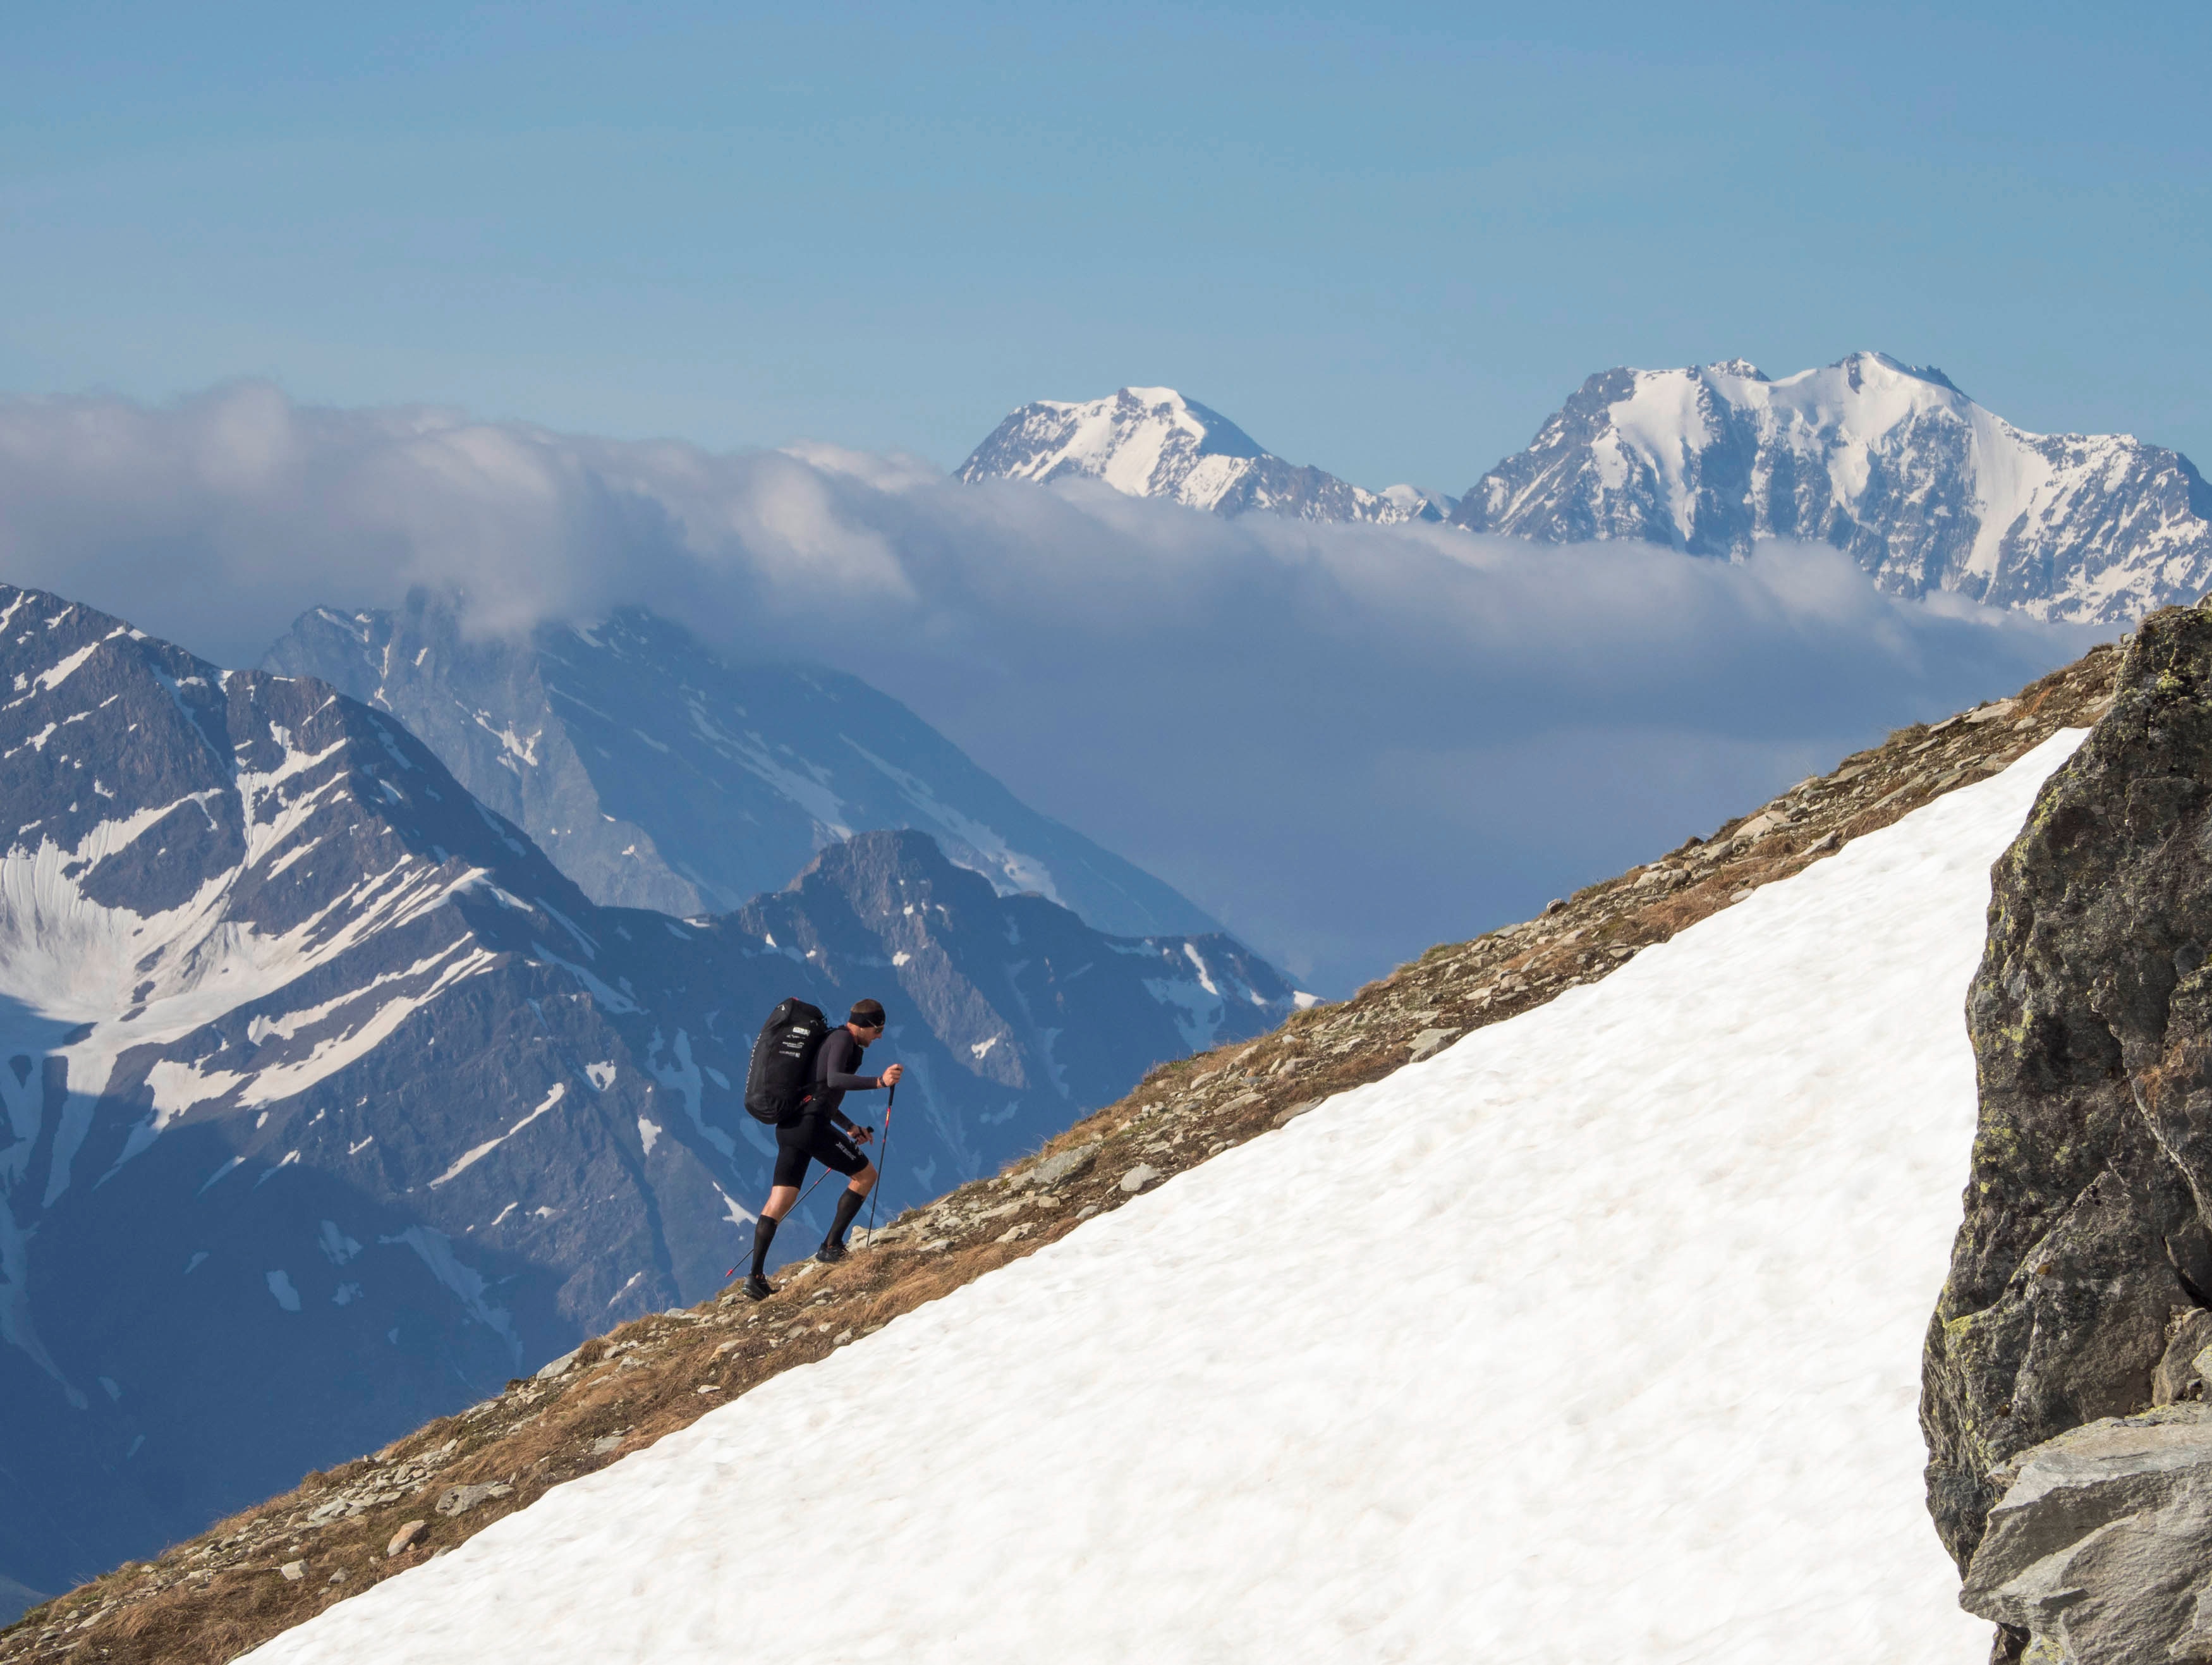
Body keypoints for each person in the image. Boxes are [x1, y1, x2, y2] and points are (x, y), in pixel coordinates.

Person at [741, 998, 904, 1300]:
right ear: (865, 1025)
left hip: (790, 1127)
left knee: (780, 1199)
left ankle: (756, 1277)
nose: (879, 1036)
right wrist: (880, 1082)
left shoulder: (835, 1040)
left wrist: (849, 1126)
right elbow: (834, 1080)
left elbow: (820, 1092)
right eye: (878, 1030)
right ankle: (831, 1246)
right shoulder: (843, 1038)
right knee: (866, 1176)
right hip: (811, 1126)